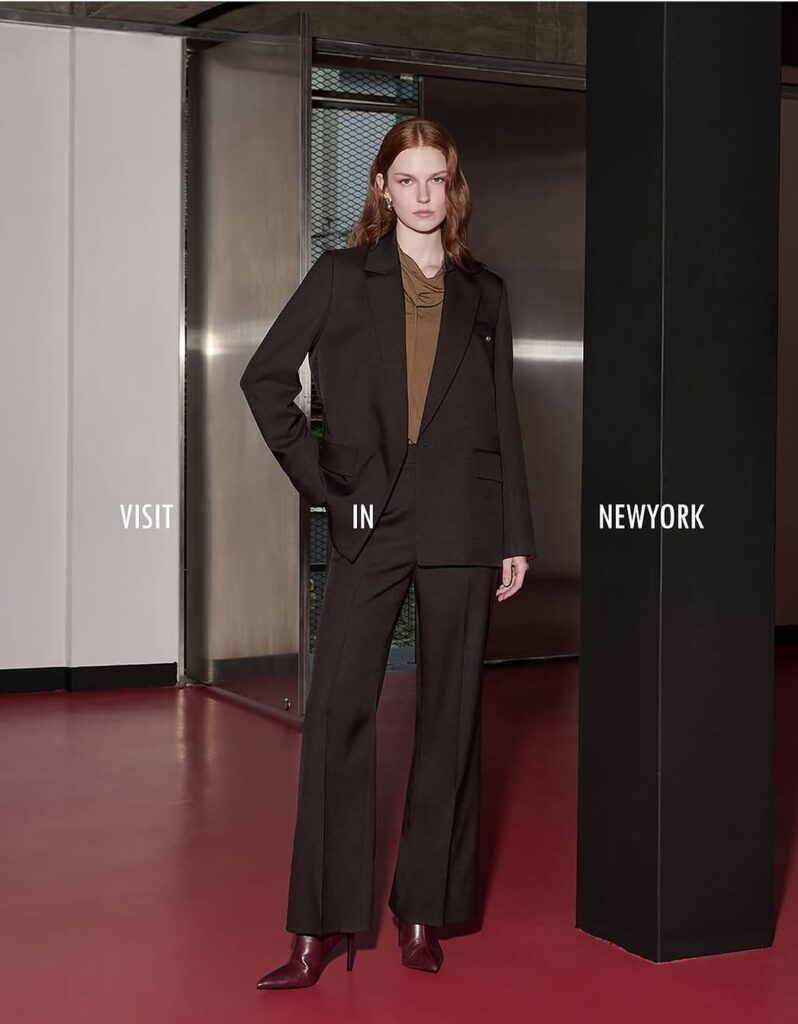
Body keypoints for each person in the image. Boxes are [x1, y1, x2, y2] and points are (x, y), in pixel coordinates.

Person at [240, 117, 536, 989]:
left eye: (436, 179)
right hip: (367, 518)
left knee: (450, 721)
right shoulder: (341, 277)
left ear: (454, 188)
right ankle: (319, 928)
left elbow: (504, 416)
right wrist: (326, 484)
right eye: (406, 179)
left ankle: (420, 912)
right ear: (381, 187)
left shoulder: (486, 293)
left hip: (464, 524)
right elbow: (265, 380)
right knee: (337, 713)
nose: (422, 194)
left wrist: (515, 534)